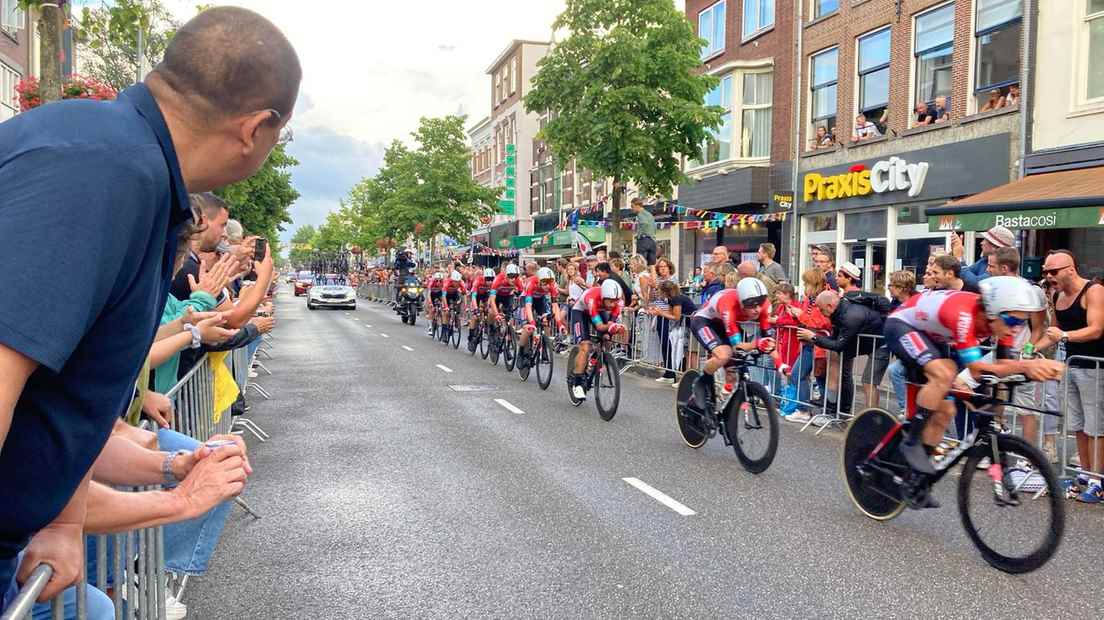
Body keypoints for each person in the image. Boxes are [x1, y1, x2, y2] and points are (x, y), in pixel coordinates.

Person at [0, 6, 298, 613]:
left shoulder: (118, 160)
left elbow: (56, 403)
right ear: (256, 128)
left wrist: (63, 521)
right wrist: (179, 501)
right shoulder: (104, 173)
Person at [884, 278, 1064, 508]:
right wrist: (1027, 367)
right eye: (1011, 320)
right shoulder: (964, 315)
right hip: (902, 325)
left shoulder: (1005, 325)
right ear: (992, 312)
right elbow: (977, 370)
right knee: (944, 372)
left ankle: (916, 480)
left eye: (1022, 322)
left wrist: (1025, 375)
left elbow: (1002, 369)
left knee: (946, 410)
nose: (1016, 328)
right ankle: (910, 444)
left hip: (934, 335)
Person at [1034, 250, 1104, 502]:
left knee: (1096, 425)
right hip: (1072, 365)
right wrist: (1030, 349)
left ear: (1070, 269)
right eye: (1046, 272)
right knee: (1078, 425)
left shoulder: (1093, 291)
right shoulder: (1056, 294)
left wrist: (1065, 337)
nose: (1049, 277)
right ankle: (1084, 474)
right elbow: (1054, 331)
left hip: (1096, 367)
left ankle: (1098, 480)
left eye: (1053, 272)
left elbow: (1096, 329)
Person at [690, 278, 775, 409]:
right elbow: (737, 345)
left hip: (726, 324)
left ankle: (723, 407)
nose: (757, 309)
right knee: (724, 355)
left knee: (734, 371)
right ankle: (702, 381)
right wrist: (756, 344)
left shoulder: (764, 306)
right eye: (751, 305)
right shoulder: (728, 304)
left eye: (760, 304)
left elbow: (768, 338)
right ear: (741, 302)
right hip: (705, 321)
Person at [797, 290, 884, 417]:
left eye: (821, 309)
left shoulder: (850, 316)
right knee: (833, 359)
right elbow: (835, 339)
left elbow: (839, 345)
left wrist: (814, 338)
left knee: (867, 381)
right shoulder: (837, 312)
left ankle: (870, 420)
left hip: (880, 343)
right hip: (863, 340)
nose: (821, 313)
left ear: (829, 306)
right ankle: (832, 409)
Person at [568, 280, 627, 399]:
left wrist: (614, 329)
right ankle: (577, 382)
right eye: (610, 301)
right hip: (580, 311)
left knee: (607, 339)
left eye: (614, 302)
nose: (612, 305)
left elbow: (611, 322)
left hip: (600, 311)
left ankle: (595, 361)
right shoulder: (592, 298)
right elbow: (600, 326)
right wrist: (610, 328)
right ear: (603, 296)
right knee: (585, 346)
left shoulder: (618, 302)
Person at [518, 267, 567, 369]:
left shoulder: (553, 287)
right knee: (527, 327)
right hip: (526, 299)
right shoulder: (531, 283)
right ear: (539, 280)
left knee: (546, 322)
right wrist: (531, 322)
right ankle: (521, 352)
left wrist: (559, 324)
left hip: (540, 300)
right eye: (544, 282)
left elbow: (555, 306)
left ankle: (545, 346)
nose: (547, 285)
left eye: (550, 282)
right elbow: (528, 306)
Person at [651, 281, 698, 385]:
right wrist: (657, 312)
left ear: (665, 292)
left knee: (690, 354)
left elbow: (676, 317)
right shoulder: (672, 299)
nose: (658, 293)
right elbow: (670, 313)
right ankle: (684, 380)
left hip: (693, 325)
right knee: (686, 353)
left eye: (660, 291)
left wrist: (661, 313)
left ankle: (687, 381)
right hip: (687, 326)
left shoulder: (677, 299)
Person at [467, 268, 496, 350]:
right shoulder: (478, 281)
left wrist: (489, 306)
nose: (490, 282)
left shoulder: (494, 283)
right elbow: (473, 297)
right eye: (488, 279)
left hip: (485, 296)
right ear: (484, 278)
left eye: (491, 279)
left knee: (489, 310)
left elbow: (491, 296)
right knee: (475, 316)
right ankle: (471, 337)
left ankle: (487, 326)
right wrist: (476, 309)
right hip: (476, 296)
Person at [630, 198, 658, 265]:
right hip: (652, 241)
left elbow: (644, 223)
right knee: (652, 265)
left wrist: (639, 235)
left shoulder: (640, 214)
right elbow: (654, 227)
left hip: (644, 241)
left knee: (641, 263)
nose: (632, 209)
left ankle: (642, 275)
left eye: (632, 206)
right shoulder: (649, 214)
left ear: (637, 206)